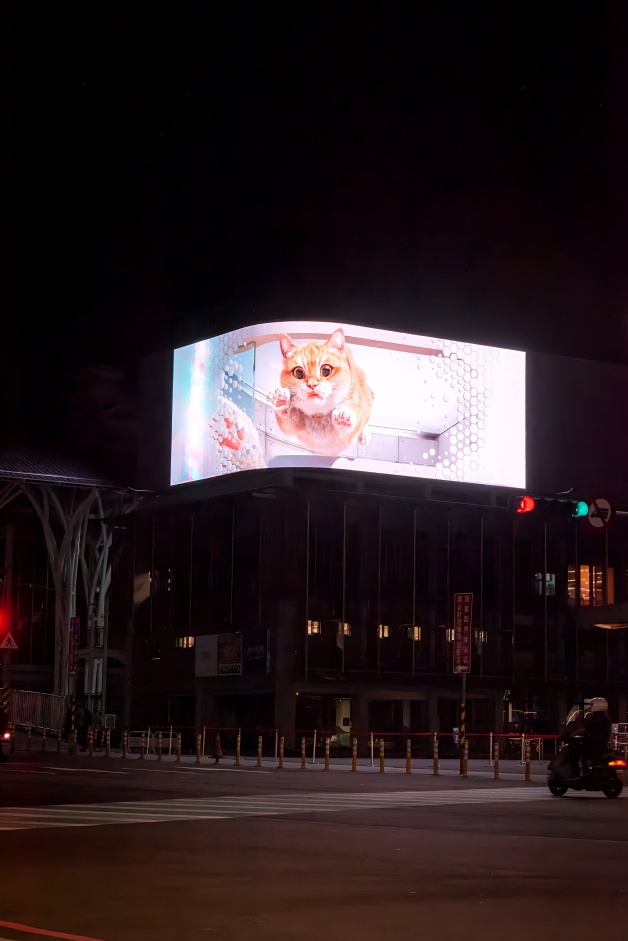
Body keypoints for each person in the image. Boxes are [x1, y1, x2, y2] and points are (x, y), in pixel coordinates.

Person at [582, 697, 612, 770]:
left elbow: (586, 729)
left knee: (582, 755)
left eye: (591, 705)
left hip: (593, 746)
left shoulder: (595, 718)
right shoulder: (606, 718)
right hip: (602, 745)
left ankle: (584, 770)